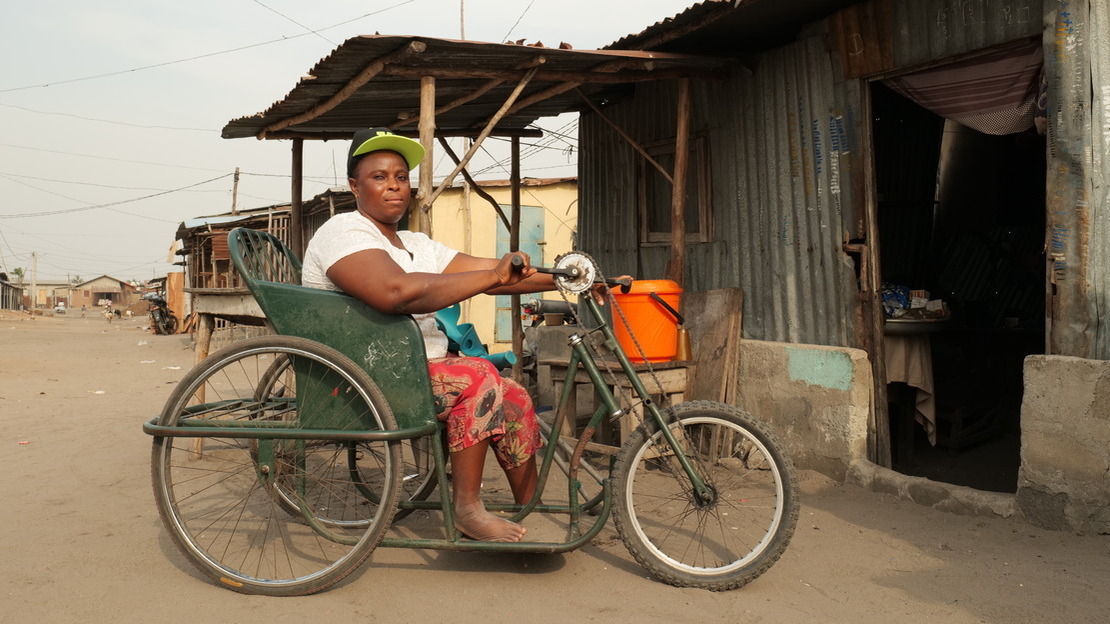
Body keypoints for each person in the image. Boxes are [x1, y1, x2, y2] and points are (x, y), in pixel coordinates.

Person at [302, 128, 560, 542]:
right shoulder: (343, 232)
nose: (393, 187)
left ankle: (532, 502)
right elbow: (396, 293)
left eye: (401, 177)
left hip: (414, 368)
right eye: (380, 177)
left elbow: (494, 275)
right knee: (477, 378)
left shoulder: (413, 242)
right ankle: (467, 510)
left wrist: (569, 278)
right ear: (355, 186)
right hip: (365, 375)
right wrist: (494, 273)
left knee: (513, 394)